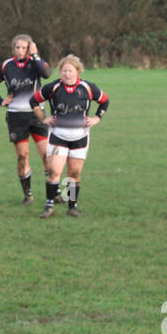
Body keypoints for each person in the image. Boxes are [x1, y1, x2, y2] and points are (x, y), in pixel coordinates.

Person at [30, 54, 108, 218]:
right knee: (54, 172)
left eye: (70, 71)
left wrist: (97, 118)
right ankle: (49, 207)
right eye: (64, 71)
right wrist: (43, 118)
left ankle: (72, 207)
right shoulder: (53, 87)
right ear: (60, 72)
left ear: (77, 71)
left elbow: (104, 101)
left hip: (80, 138)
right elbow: (34, 101)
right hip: (58, 136)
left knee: (74, 174)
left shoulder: (87, 88)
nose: (67, 74)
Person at [0, 35, 52, 204]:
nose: (21, 51)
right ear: (13, 48)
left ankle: (53, 193)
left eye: (24, 47)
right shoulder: (6, 66)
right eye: (18, 47)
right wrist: (1, 101)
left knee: (46, 155)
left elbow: (46, 74)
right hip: (16, 116)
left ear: (30, 48)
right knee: (22, 156)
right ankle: (28, 194)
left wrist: (35, 55)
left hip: (37, 114)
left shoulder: (35, 63)